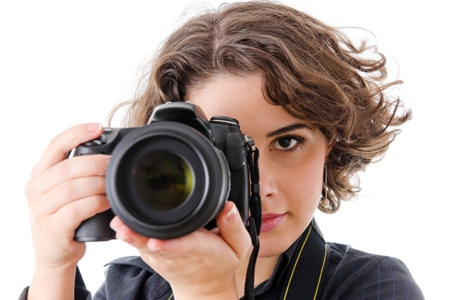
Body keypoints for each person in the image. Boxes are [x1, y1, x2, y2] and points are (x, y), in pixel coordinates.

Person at [21, 1, 424, 299]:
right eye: (225, 149)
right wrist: (54, 266)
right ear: (165, 155)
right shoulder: (131, 286)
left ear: (329, 148)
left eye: (287, 142)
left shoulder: (374, 285)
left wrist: (207, 290)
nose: (260, 185)